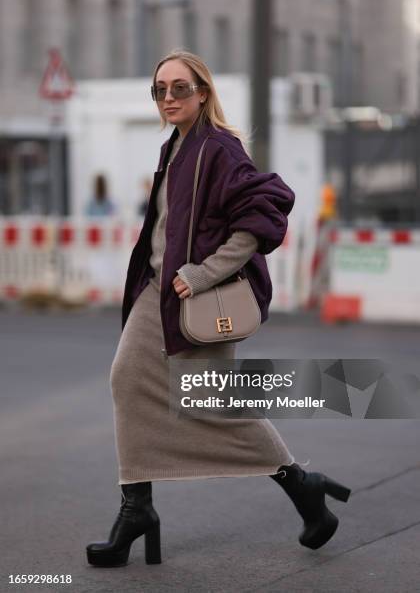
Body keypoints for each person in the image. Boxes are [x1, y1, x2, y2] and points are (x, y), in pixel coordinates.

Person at [86, 50, 351, 568]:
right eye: (160, 89)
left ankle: (305, 488)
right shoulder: (175, 147)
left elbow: (262, 216)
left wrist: (203, 273)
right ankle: (136, 508)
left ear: (202, 92)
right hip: (155, 291)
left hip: (197, 298)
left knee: (215, 404)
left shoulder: (220, 149)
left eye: (179, 88)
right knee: (127, 380)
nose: (168, 98)